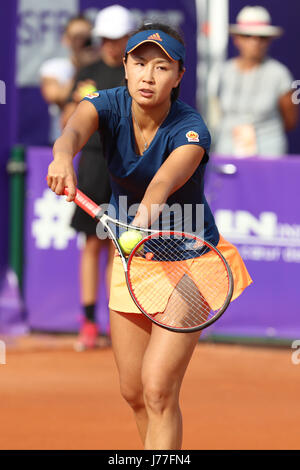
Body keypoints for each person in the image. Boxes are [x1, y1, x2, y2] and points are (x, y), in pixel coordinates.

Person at [47, 23, 252, 450]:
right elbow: (73, 129)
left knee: (158, 388)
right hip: (135, 261)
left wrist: (144, 213)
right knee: (134, 392)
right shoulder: (107, 104)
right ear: (124, 66)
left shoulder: (191, 129)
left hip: (193, 263)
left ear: (178, 76)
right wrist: (64, 155)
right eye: (139, 63)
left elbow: (161, 185)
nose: (148, 76)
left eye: (162, 67)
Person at [61, 5, 136, 351]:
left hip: (124, 165)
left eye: (117, 38)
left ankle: (113, 322)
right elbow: (68, 118)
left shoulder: (135, 74)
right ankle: (89, 321)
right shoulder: (87, 72)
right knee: (92, 244)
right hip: (91, 165)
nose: (110, 45)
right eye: (105, 38)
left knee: (117, 246)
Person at [212, 6, 298, 158]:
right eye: (248, 35)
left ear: (269, 41)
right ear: (237, 39)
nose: (255, 42)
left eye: (262, 37)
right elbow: (217, 113)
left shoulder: (279, 74)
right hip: (227, 150)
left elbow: (290, 120)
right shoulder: (225, 71)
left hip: (268, 154)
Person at [39, 14, 98, 144]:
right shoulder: (53, 67)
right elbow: (56, 97)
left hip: (98, 142)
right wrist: (81, 68)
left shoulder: (102, 66)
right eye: (76, 37)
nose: (81, 42)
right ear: (66, 39)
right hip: (64, 140)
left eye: (86, 37)